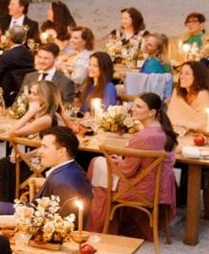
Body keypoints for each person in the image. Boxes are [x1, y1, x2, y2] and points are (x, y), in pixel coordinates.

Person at [86, 93, 177, 237]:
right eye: (134, 105)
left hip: (140, 190)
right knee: (100, 164)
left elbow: (127, 172)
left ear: (152, 112)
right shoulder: (165, 131)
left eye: (139, 106)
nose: (132, 109)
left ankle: (100, 228)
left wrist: (117, 163)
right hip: (160, 186)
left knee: (96, 163)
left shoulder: (142, 137)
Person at [34, 126, 93, 217]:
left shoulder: (63, 184)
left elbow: (63, 226)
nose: (39, 151)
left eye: (44, 147)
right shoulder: (71, 168)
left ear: (61, 151)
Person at [0, 26, 34, 105]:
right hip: (27, 95)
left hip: (7, 98)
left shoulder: (6, 57)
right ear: (24, 40)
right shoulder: (30, 54)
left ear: (9, 39)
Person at [23, 42, 78, 108]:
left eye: (46, 58)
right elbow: (20, 100)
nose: (41, 61)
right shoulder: (29, 77)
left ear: (56, 59)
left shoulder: (65, 82)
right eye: (39, 57)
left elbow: (67, 107)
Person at [168, 61, 209, 132]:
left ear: (197, 77)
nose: (181, 77)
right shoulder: (177, 92)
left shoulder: (202, 94)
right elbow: (172, 116)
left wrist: (185, 124)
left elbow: (203, 123)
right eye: (181, 73)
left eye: (187, 74)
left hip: (200, 135)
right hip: (179, 132)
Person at [79, 51, 118, 116]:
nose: (90, 68)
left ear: (104, 68)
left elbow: (107, 113)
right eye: (90, 64)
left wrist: (89, 114)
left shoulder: (109, 88)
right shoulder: (89, 86)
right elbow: (82, 110)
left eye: (95, 66)